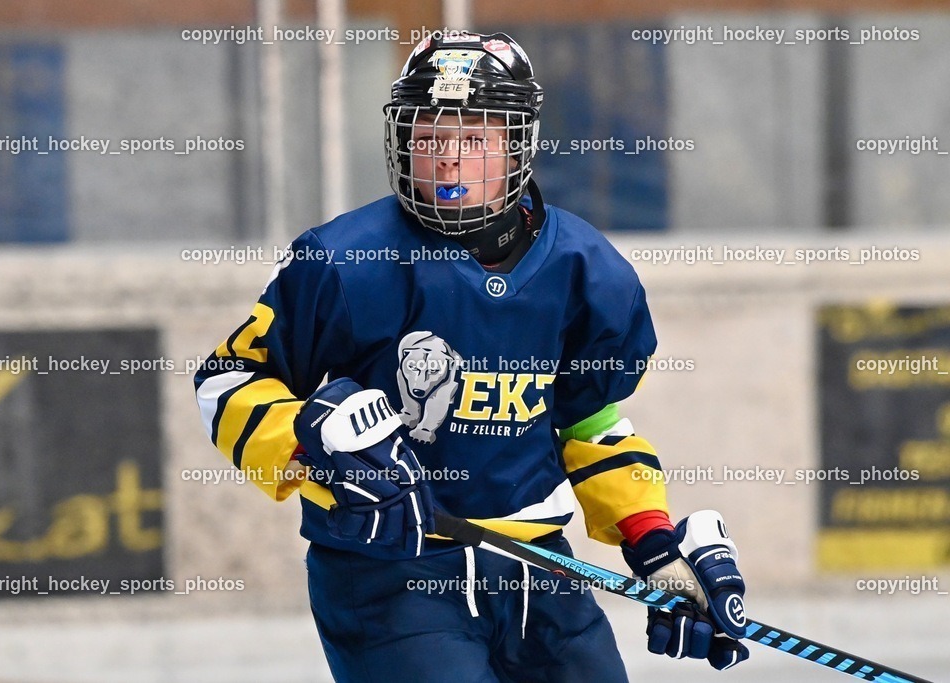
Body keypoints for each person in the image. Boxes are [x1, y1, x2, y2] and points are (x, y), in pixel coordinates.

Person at [195, 31, 749, 682]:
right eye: (429, 139)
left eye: (473, 140)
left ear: (517, 145)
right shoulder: (345, 262)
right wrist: (310, 443)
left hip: (540, 566)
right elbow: (227, 380)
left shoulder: (585, 271)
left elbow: (587, 422)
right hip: (388, 572)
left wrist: (653, 541)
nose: (449, 161)